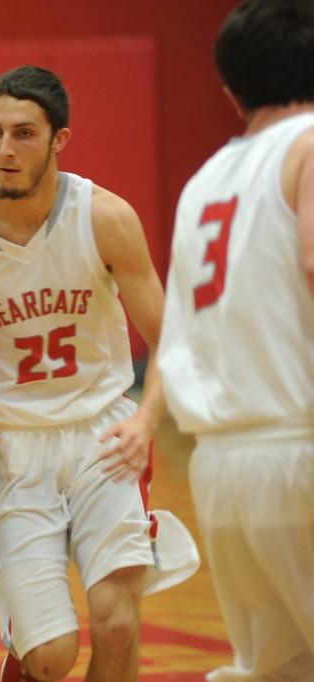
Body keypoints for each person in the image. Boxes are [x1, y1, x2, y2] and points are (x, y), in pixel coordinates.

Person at [0, 66, 198, 681]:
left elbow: (170, 336)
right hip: (16, 448)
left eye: (23, 134)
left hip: (104, 432)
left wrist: (148, 419)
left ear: (59, 140)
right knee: (49, 658)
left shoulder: (105, 217)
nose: (5, 149)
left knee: (118, 622)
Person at [156, 1, 314, 679]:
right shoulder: (310, 143)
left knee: (275, 667)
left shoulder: (202, 183)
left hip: (222, 468)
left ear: (229, 90)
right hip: (299, 441)